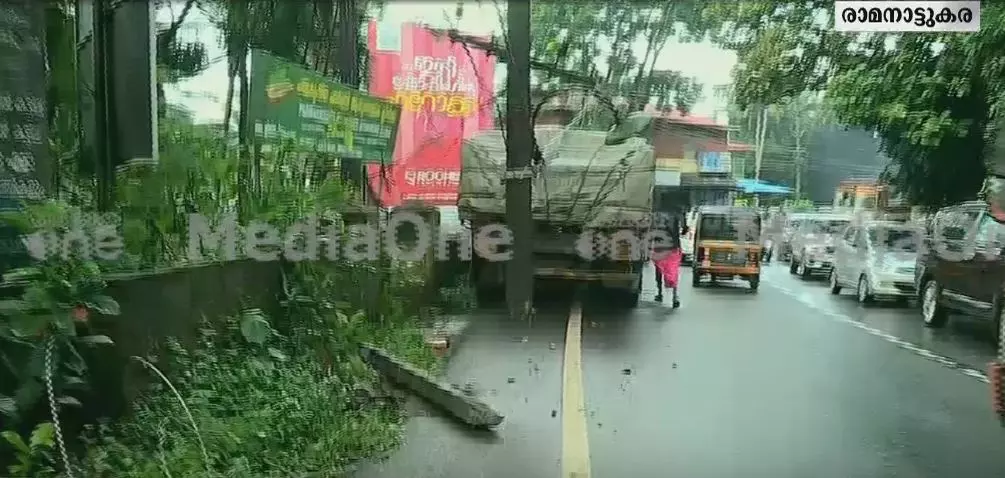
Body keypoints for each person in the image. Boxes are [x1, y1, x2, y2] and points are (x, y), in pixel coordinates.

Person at [653, 209, 688, 308]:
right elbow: (684, 228)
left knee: (659, 269)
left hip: (659, 246)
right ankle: (675, 296)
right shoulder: (678, 212)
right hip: (673, 246)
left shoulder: (656, 213)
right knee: (673, 270)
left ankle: (659, 292)